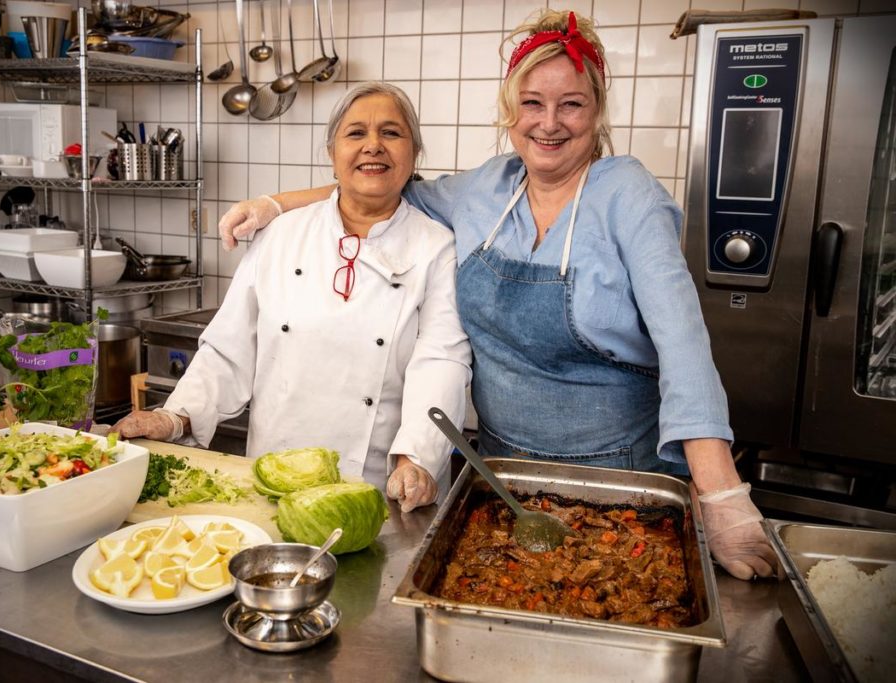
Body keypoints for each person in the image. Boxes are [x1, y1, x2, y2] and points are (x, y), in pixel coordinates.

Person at [216, 11, 777, 580]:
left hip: (619, 482)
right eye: (532, 103)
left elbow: (685, 348)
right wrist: (276, 205)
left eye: (572, 104)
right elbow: (379, 183)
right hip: (498, 478)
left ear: (597, 110)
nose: (550, 123)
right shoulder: (486, 189)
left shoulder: (630, 196)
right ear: (510, 113)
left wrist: (721, 496)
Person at [113, 82, 471, 513]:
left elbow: (441, 360)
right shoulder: (282, 235)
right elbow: (230, 348)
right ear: (331, 153)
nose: (373, 146)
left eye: (391, 133)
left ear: (414, 154)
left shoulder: (437, 247)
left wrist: (418, 458)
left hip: (379, 485)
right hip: (273, 474)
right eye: (356, 133)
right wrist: (176, 415)